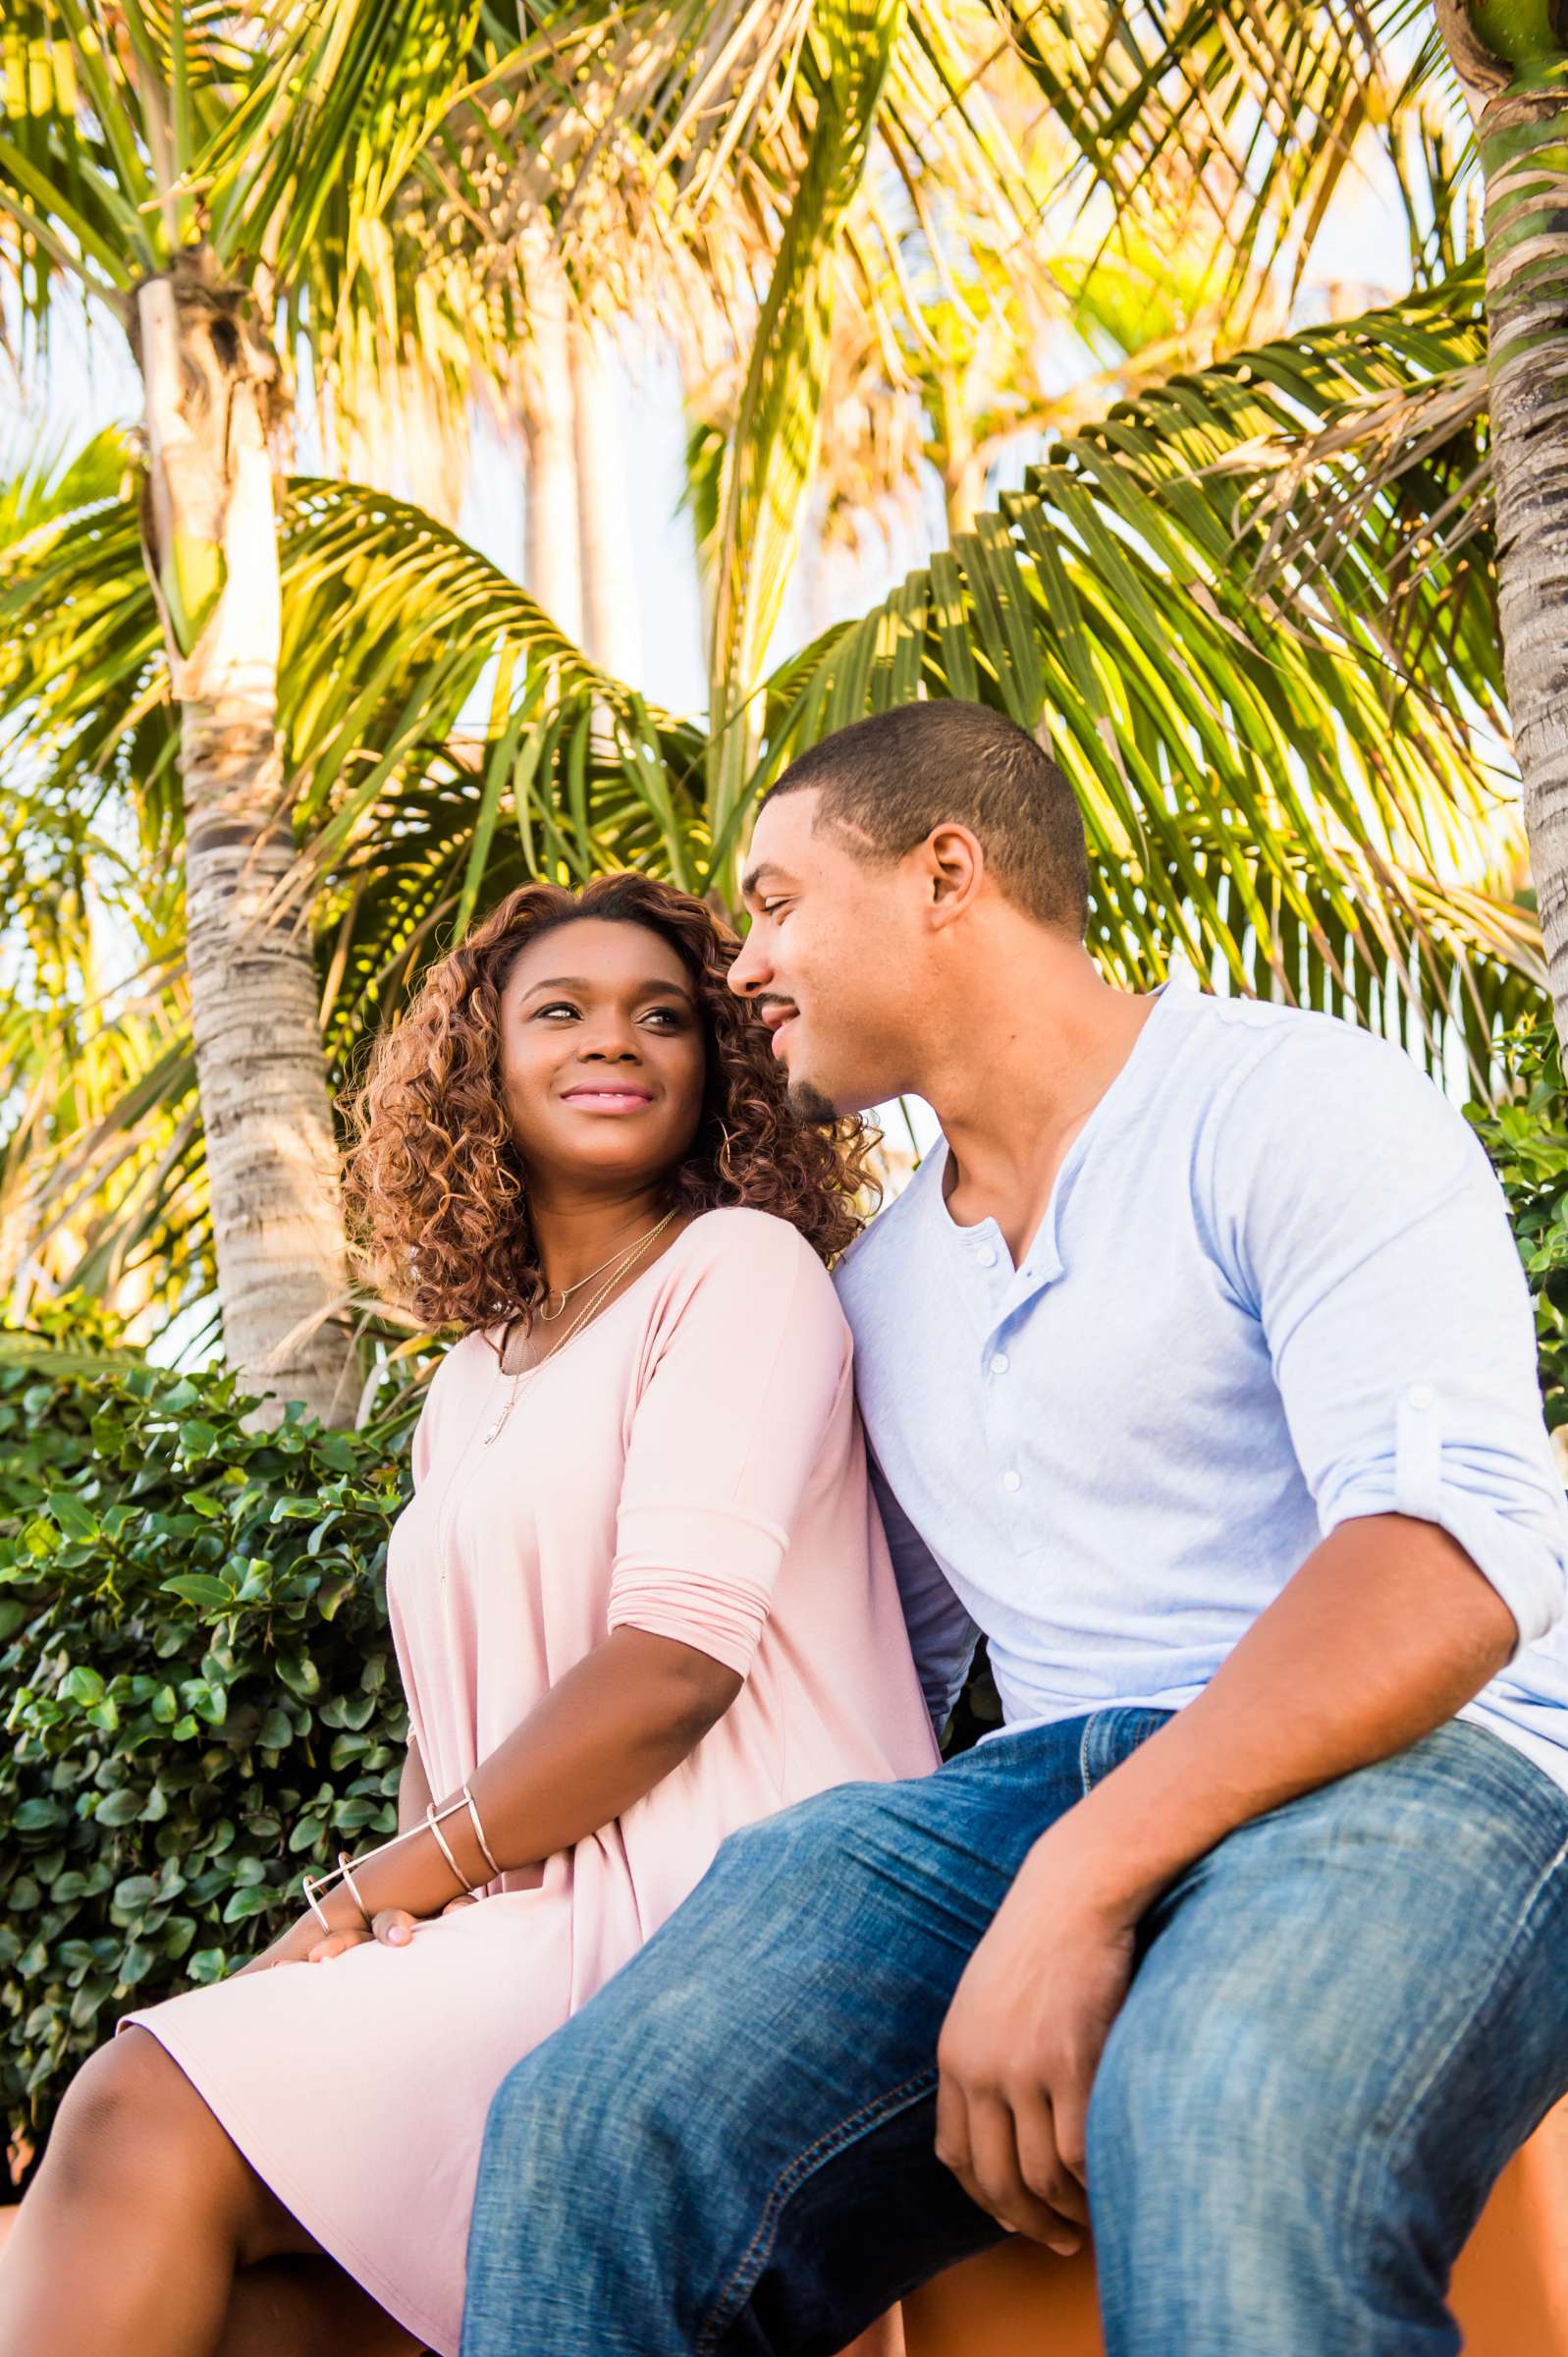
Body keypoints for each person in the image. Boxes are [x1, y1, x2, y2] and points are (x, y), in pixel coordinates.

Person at [459, 699, 1568, 2357]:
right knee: (586, 2130)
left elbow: (1445, 1573)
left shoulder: (1290, 1102)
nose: (742, 967)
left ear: (944, 873)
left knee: (1217, 2110)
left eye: (772, 902)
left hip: (1429, 1771)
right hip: (1032, 1799)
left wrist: (1080, 1882)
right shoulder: (880, 1292)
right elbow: (853, 1669)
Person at [0, 873, 937, 2357]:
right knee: (265, 2312)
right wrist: (393, 1933)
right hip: (520, 1922)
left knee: (135, 2104)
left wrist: (375, 1891)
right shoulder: (469, 1380)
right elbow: (457, 1730)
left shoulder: (735, 1272)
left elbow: (673, 1669)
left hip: (716, 1920)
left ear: (717, 1068)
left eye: (662, 1016)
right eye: (557, 1012)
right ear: (479, 1070)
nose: (610, 1042)